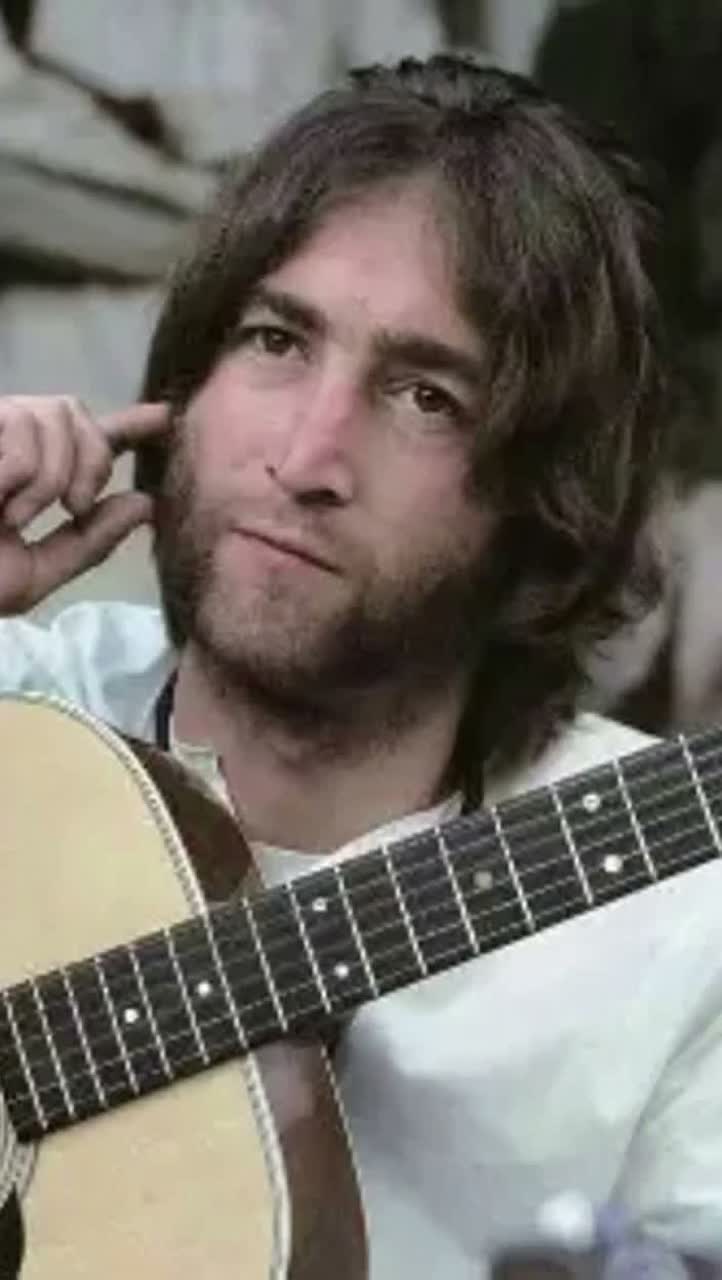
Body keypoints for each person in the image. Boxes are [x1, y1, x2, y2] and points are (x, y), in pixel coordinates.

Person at [1, 52, 722, 1279]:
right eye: (275, 339)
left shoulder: (683, 929)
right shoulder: (27, 717)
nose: (307, 455)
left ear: (543, 503)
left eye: (425, 396)